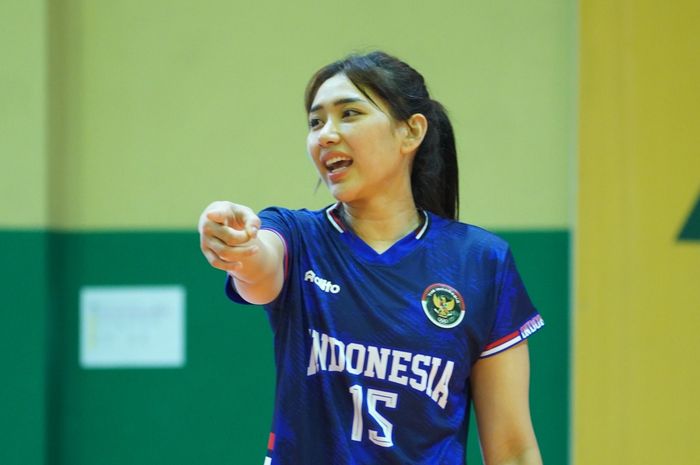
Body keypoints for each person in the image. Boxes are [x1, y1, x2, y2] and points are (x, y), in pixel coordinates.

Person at [199, 51, 544, 465]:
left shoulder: (480, 262)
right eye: (315, 121)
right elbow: (259, 268)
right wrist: (237, 244)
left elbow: (512, 448)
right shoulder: (296, 235)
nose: (326, 134)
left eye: (349, 113)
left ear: (410, 132)